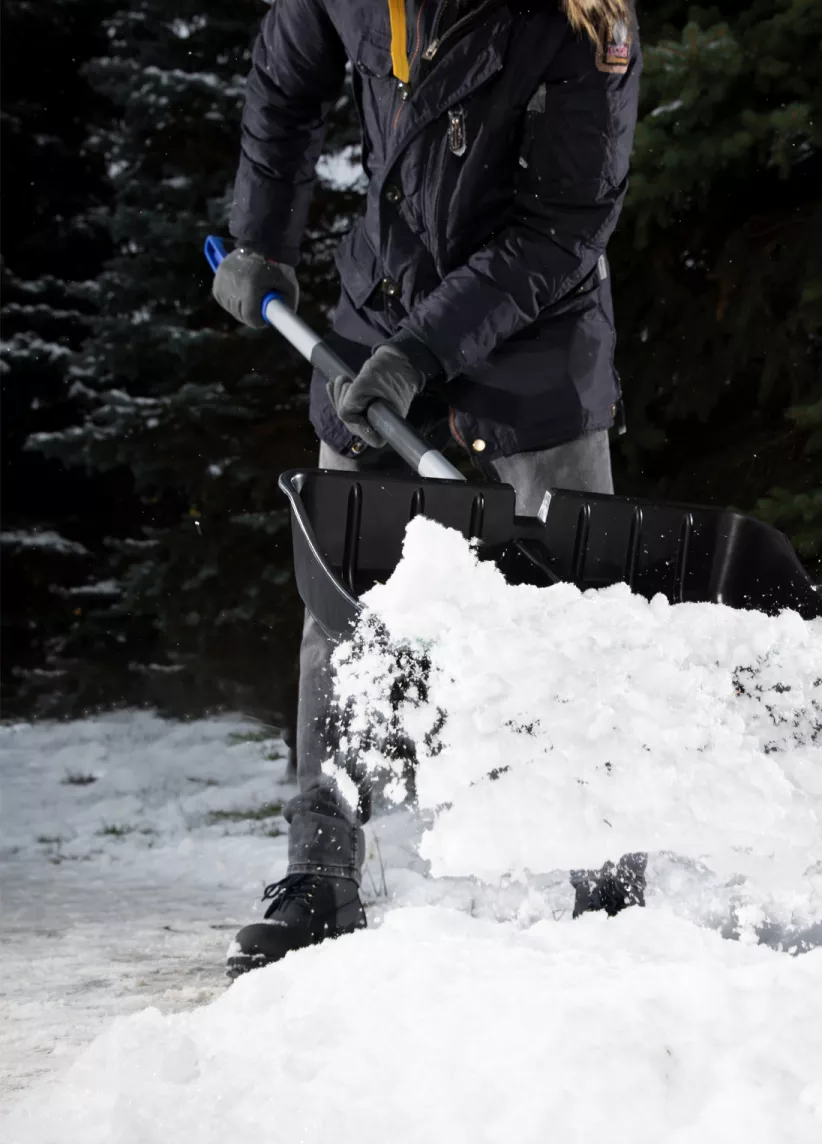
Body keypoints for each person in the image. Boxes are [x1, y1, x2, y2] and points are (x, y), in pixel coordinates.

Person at [213, 0, 643, 976]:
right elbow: (284, 87)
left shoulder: (587, 19)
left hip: (538, 326)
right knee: (338, 595)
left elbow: (566, 222)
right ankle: (319, 871)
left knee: (577, 597)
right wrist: (257, 237)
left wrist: (425, 353)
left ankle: (608, 879)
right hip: (384, 299)